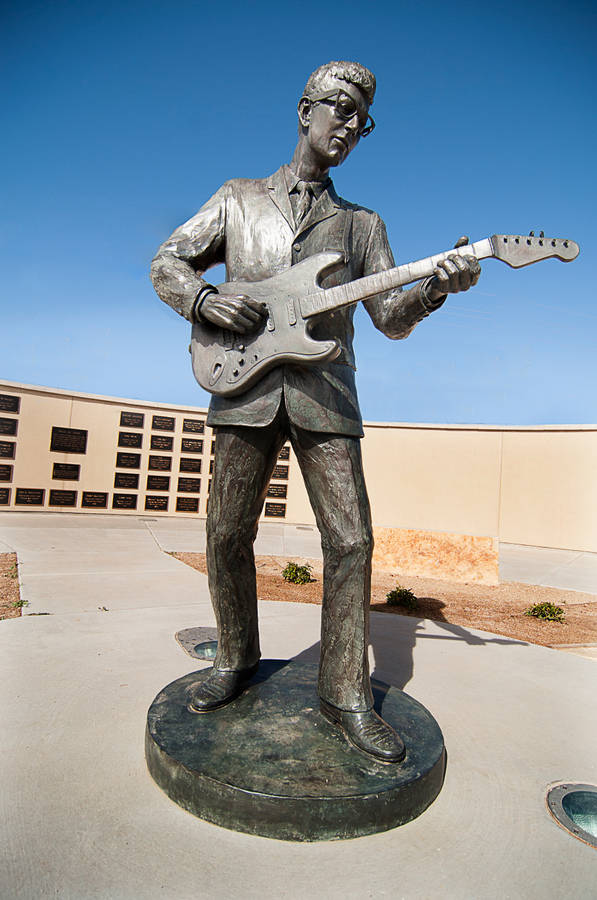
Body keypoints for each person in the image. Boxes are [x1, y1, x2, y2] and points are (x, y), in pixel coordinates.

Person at [150, 61, 480, 762]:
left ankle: (344, 694)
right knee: (225, 534)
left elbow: (390, 316)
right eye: (339, 109)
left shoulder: (362, 225)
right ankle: (234, 660)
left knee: (352, 541)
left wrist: (437, 290)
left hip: (326, 394)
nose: (350, 126)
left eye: (363, 118)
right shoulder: (237, 199)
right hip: (242, 386)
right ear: (304, 112)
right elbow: (169, 261)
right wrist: (204, 301)